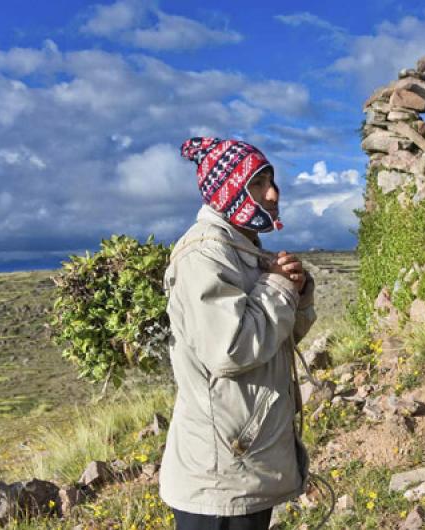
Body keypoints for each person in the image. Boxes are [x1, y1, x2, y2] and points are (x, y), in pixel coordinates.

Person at [159, 137, 316, 530]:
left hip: (243, 465)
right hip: (219, 477)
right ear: (228, 189)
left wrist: (296, 291)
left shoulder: (241, 250)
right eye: (259, 184)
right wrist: (278, 288)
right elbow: (228, 351)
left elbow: (273, 344)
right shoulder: (204, 255)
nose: (274, 193)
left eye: (271, 181)